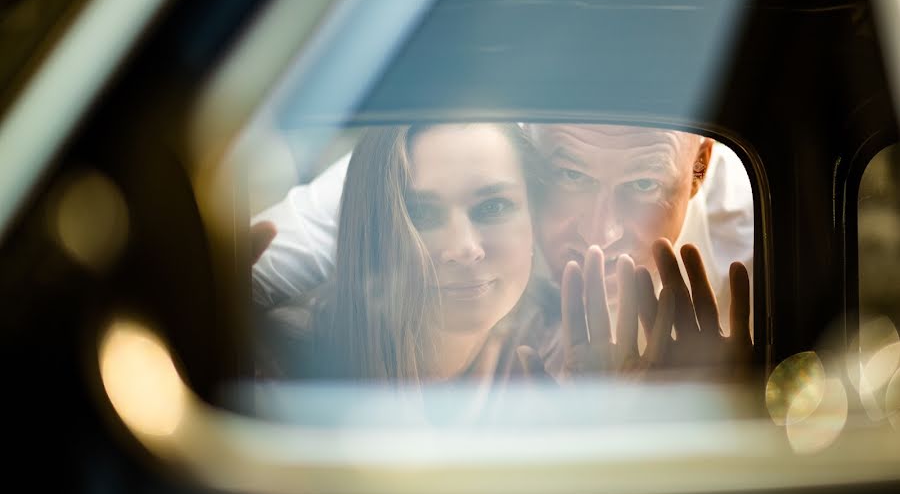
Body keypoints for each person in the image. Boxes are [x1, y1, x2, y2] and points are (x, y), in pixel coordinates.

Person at [252, 123, 755, 379]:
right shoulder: (461, 156)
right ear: (530, 149)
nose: (600, 233)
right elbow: (253, 272)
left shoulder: (753, 232)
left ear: (701, 167)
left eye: (644, 185)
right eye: (571, 175)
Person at [257, 123, 558, 386]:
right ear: (371, 230)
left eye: (493, 207)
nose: (465, 249)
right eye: (421, 214)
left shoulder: (562, 344)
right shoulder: (281, 362)